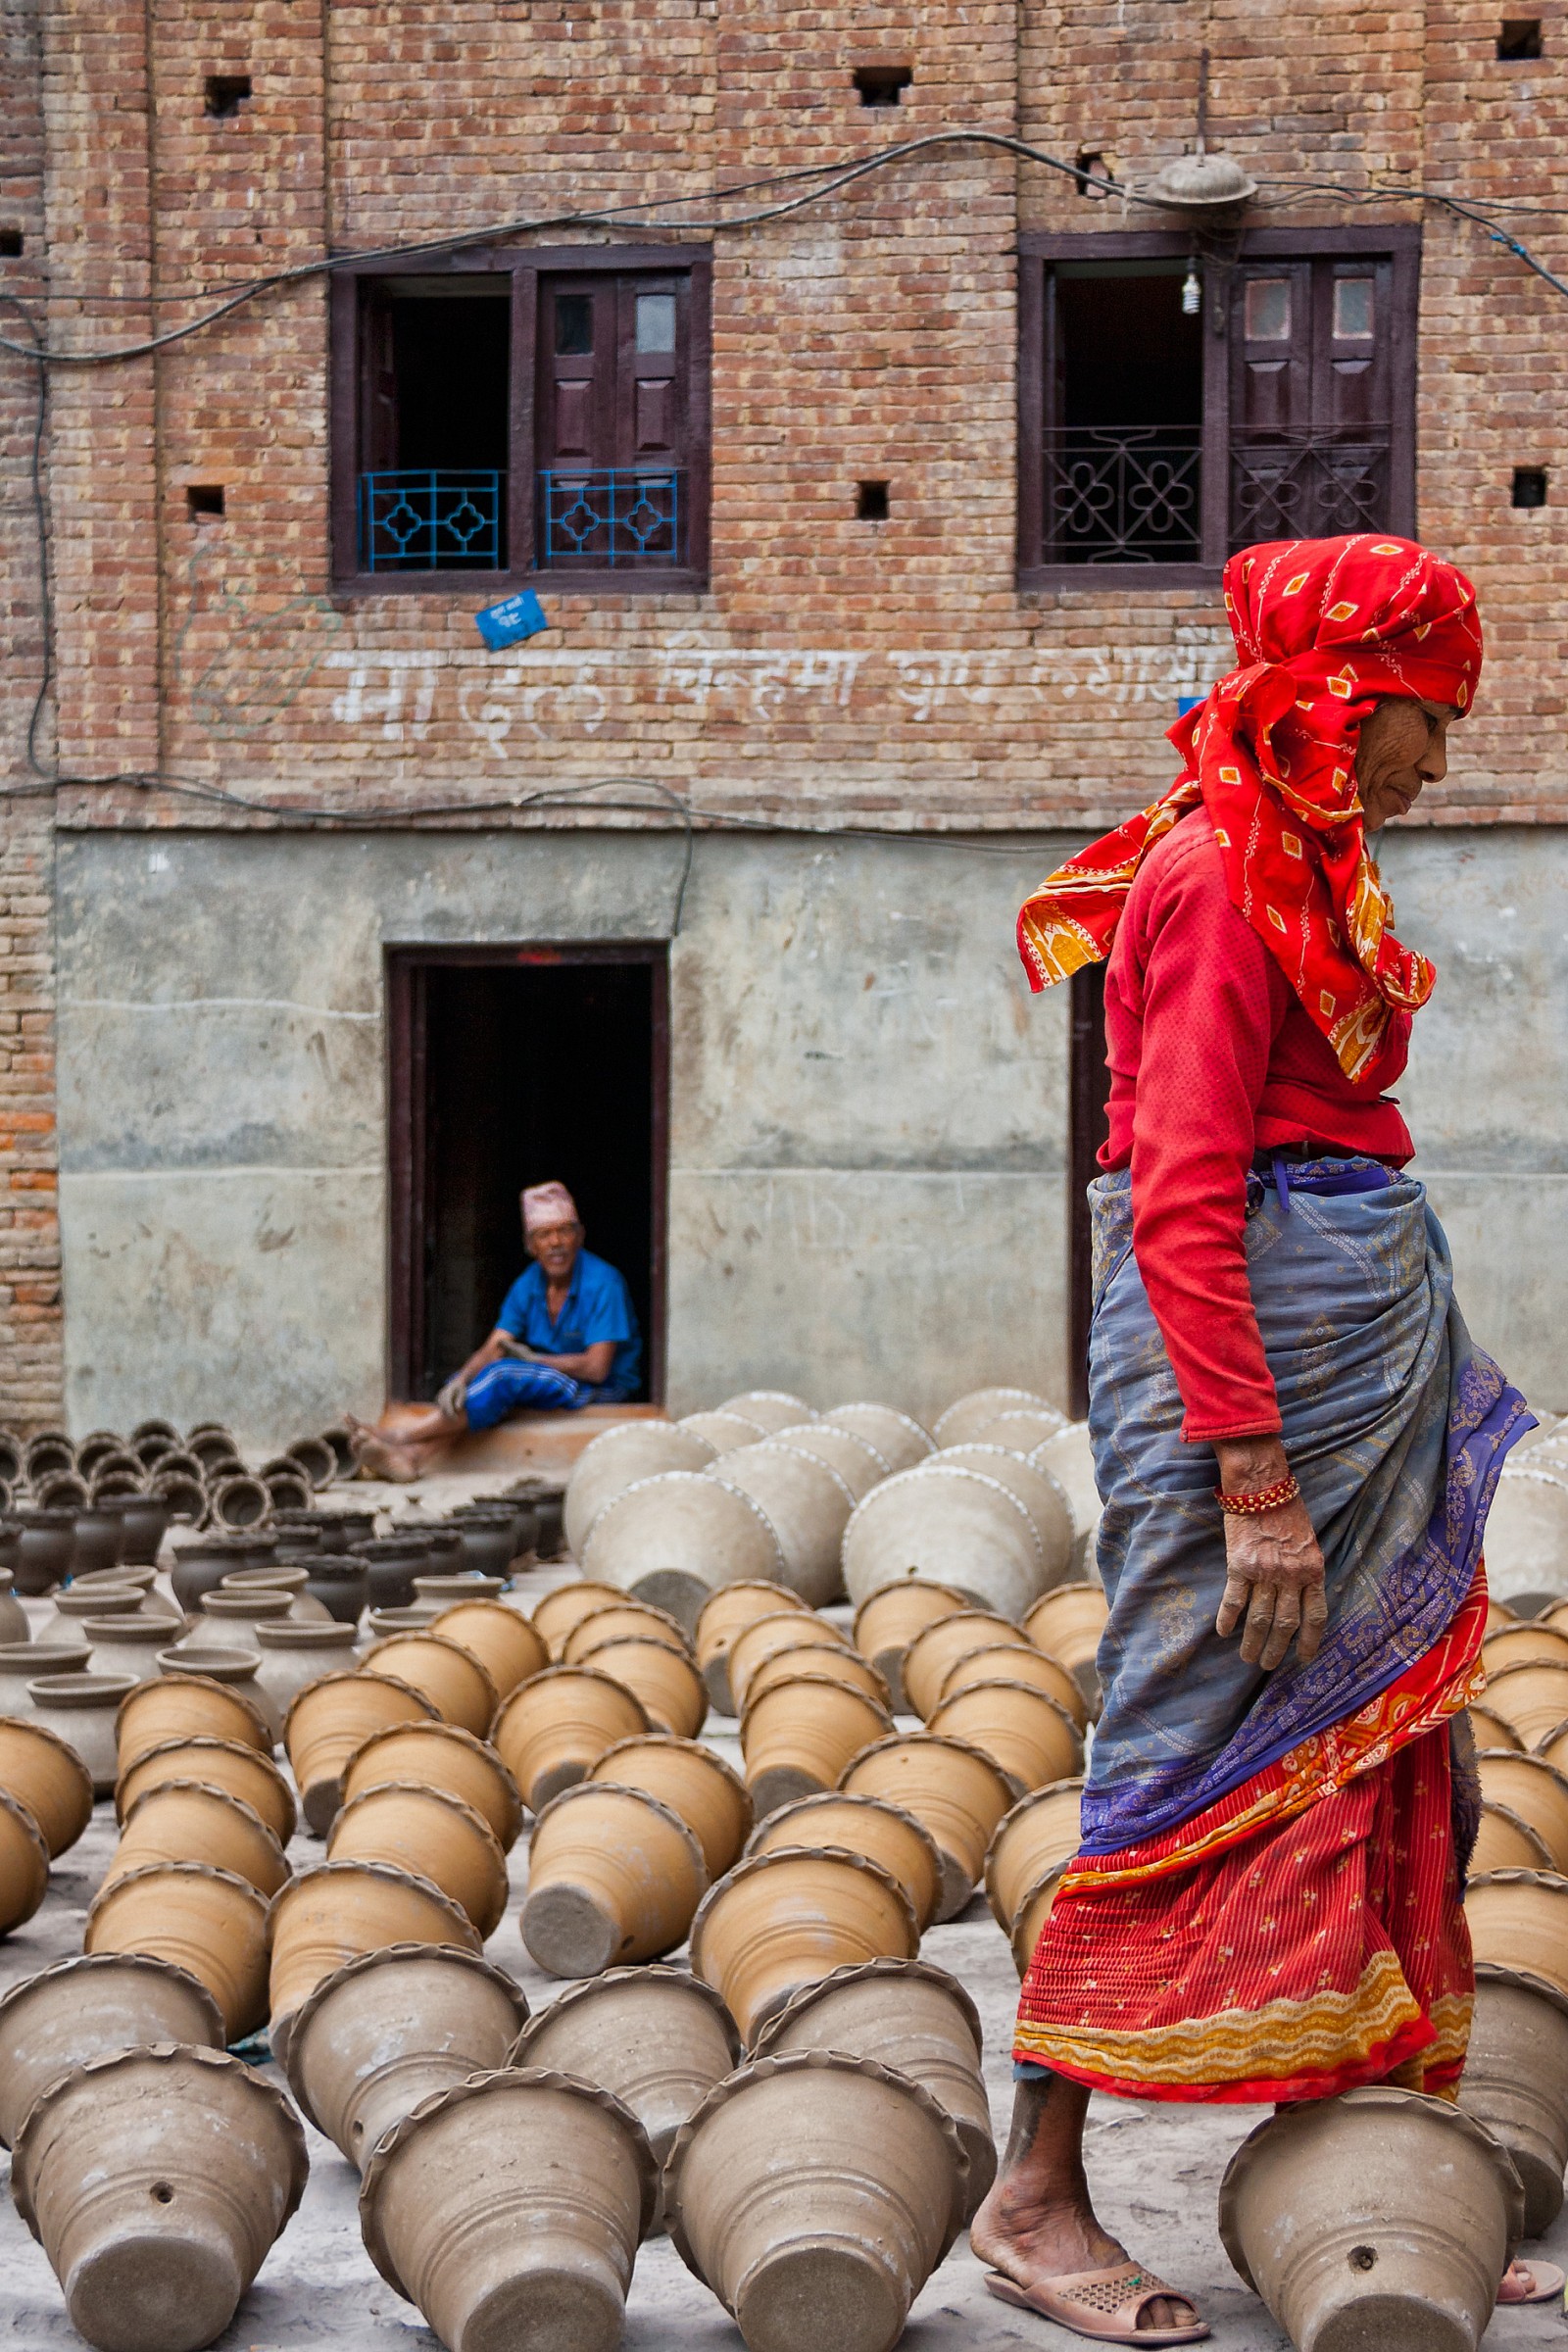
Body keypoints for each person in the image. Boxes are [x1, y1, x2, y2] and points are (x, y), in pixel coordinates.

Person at [970, 534, 1553, 2344]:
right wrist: (1250, 1473)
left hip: (1340, 1362)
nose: (1435, 767)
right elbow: (1183, 1194)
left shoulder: (1301, 866)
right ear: (1332, 694)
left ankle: (1353, 2147)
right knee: (1173, 1748)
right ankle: (1035, 2192)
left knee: (1394, 1748)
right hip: (1250, 1392)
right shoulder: (1224, 878)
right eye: (1421, 721)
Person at [348, 1181, 641, 1481]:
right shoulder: (529, 1283)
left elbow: (597, 1369)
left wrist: (533, 1362)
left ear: (579, 1237)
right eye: (544, 1234)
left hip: (603, 1387)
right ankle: (413, 1458)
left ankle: (400, 1437)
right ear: (531, 1246)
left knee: (502, 1377)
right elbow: (494, 1347)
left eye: (564, 1231)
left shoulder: (603, 1282)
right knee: (473, 1391)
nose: (556, 1242)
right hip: (555, 1377)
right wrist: (461, 1379)